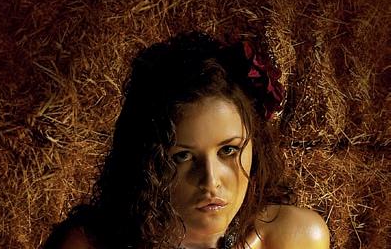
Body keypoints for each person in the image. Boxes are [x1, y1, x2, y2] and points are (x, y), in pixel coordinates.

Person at [43, 30, 330, 249]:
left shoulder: (296, 236)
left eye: (229, 150)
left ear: (255, 146)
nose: (211, 181)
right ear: (146, 162)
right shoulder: (89, 245)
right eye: (183, 156)